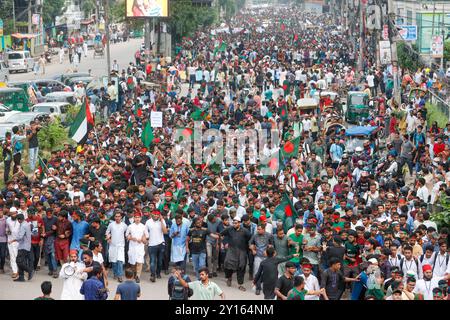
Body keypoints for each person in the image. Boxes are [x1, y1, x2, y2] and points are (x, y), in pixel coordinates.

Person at [220, 216, 252, 291]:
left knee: (241, 267)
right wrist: (224, 242)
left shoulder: (245, 231)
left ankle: (240, 284)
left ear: (239, 223)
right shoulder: (229, 229)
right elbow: (221, 234)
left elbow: (250, 238)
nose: (234, 224)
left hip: (242, 251)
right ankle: (229, 278)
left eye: (236, 223)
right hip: (231, 250)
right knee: (227, 265)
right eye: (233, 223)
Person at [145, 209, 167, 282]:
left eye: (157, 214)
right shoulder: (148, 222)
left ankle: (158, 273)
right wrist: (147, 238)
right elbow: (145, 231)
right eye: (155, 214)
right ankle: (153, 275)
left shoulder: (162, 221)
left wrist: (161, 221)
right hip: (151, 244)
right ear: (152, 214)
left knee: (160, 261)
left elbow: (165, 231)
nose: (156, 216)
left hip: (161, 243)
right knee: (152, 261)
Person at [106, 210, 128, 282]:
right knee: (114, 262)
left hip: (121, 246)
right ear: (114, 217)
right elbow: (107, 232)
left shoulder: (124, 225)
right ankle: (115, 273)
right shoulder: (111, 224)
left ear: (121, 217)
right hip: (112, 246)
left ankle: (120, 276)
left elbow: (127, 233)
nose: (117, 218)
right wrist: (108, 237)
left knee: (120, 261)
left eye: (119, 216)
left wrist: (128, 236)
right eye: (116, 216)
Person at [126, 212, 148, 283]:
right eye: (136, 217)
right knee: (133, 263)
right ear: (134, 218)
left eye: (138, 217)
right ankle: (134, 274)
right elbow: (127, 236)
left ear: (140, 218)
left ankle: (138, 276)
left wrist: (142, 239)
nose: (137, 219)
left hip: (140, 247)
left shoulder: (143, 226)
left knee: (139, 262)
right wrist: (133, 238)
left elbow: (146, 236)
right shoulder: (130, 226)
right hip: (132, 246)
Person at [14, 214, 33, 282]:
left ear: (19, 220)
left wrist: (14, 239)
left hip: (23, 246)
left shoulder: (23, 225)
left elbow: (20, 237)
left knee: (18, 261)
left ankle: (29, 270)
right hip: (27, 245)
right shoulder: (27, 224)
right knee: (22, 261)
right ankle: (21, 277)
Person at [6, 208, 20, 279]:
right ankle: (15, 271)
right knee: (12, 257)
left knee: (18, 256)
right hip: (10, 241)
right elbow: (7, 230)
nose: (13, 215)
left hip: (18, 241)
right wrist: (7, 231)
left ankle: (20, 270)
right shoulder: (8, 220)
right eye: (12, 214)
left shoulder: (20, 219)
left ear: (17, 213)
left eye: (14, 213)